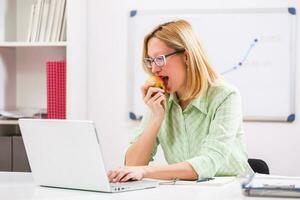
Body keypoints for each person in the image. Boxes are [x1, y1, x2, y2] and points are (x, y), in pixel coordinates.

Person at [107, 19, 253, 182]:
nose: (154, 69)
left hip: (231, 189)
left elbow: (209, 162)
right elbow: (133, 165)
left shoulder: (225, 96)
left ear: (186, 57)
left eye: (159, 59)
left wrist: (146, 171)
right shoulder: (161, 99)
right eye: (150, 60)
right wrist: (157, 119)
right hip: (185, 191)